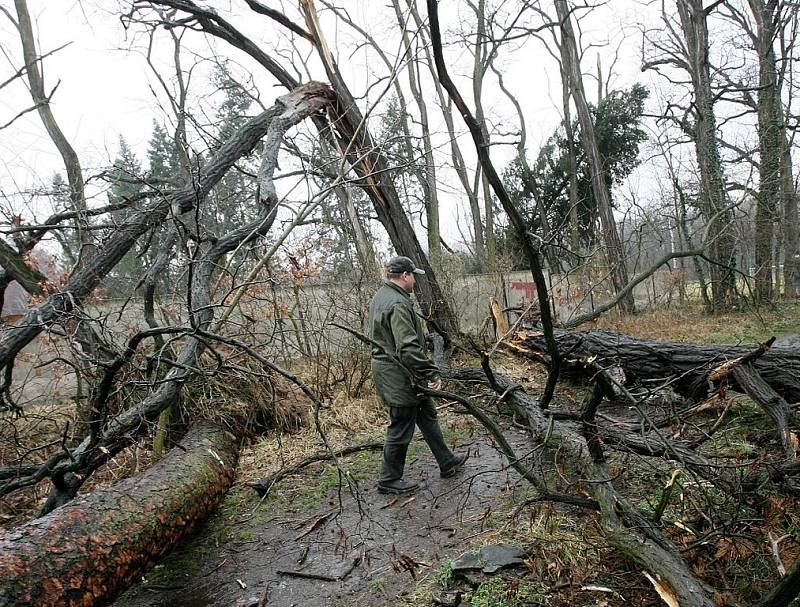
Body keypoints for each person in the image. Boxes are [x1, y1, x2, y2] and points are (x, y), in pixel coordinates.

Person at [368, 255, 467, 494]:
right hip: (398, 373)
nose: (415, 281)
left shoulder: (382, 296)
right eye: (413, 276)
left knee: (426, 413)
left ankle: (447, 461)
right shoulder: (398, 304)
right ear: (404, 276)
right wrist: (431, 372)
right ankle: (389, 479)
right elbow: (407, 347)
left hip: (401, 370)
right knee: (401, 423)